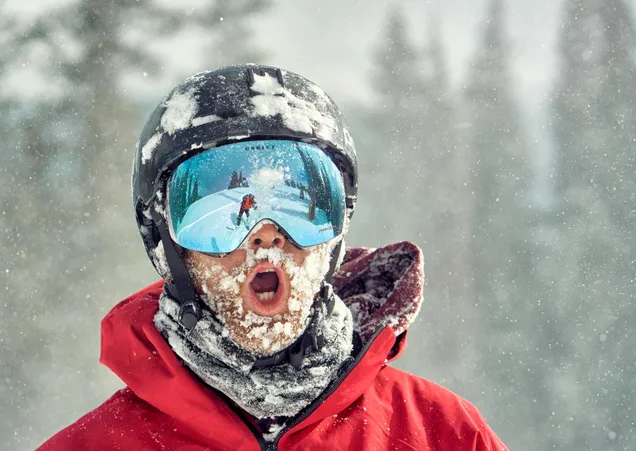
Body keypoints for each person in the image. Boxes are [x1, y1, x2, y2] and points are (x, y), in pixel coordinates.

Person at [38, 64, 507, 450]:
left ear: (335, 236)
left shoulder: (441, 434)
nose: (265, 237)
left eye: (301, 206)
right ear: (169, 245)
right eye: (220, 219)